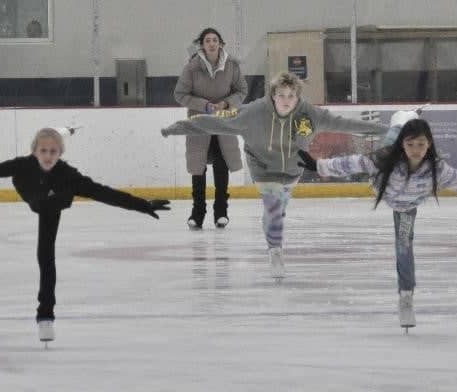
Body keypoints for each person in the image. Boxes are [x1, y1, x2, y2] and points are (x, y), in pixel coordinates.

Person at [0, 127, 170, 344]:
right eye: (43, 151)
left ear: (60, 153)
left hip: (54, 201)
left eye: (53, 152)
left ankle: (45, 315)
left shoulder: (68, 175)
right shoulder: (22, 165)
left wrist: (143, 205)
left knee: (45, 256)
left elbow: (105, 193)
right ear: (34, 151)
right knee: (43, 223)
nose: (48, 156)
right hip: (30, 189)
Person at [162, 71, 403, 280]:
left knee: (278, 207)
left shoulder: (310, 115)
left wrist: (390, 131)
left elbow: (346, 125)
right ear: (273, 95)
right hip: (262, 167)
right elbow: (212, 122)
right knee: (273, 204)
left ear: (297, 97)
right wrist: (176, 128)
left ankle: (273, 225)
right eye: (281, 95)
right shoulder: (252, 112)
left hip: (292, 169)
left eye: (291, 96)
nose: (286, 101)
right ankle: (275, 250)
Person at [297, 119, 457, 331]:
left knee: (404, 247)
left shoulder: (437, 168)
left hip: (407, 208)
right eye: (410, 144)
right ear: (403, 145)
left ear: (429, 144)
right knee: (389, 140)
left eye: (421, 144)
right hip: (385, 187)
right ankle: (400, 121)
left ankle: (406, 297)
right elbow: (353, 163)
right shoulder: (383, 159)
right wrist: (319, 166)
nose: (416, 150)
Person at [173, 27, 248, 229]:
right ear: (202, 45)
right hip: (199, 122)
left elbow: (242, 90)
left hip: (223, 122)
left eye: (215, 40)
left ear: (220, 44)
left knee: (222, 165)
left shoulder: (232, 65)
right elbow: (180, 94)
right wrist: (204, 105)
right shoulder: (192, 67)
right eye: (208, 40)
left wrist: (225, 104)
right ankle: (198, 213)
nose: (212, 43)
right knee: (198, 168)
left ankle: (221, 212)